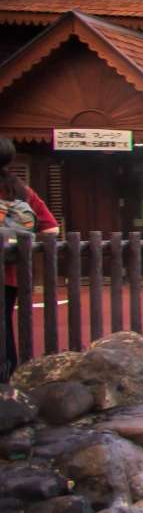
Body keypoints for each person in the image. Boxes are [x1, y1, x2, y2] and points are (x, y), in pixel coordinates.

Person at [0, 138, 61, 374]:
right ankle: (8, 372)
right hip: (11, 273)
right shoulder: (21, 190)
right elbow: (51, 228)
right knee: (4, 323)